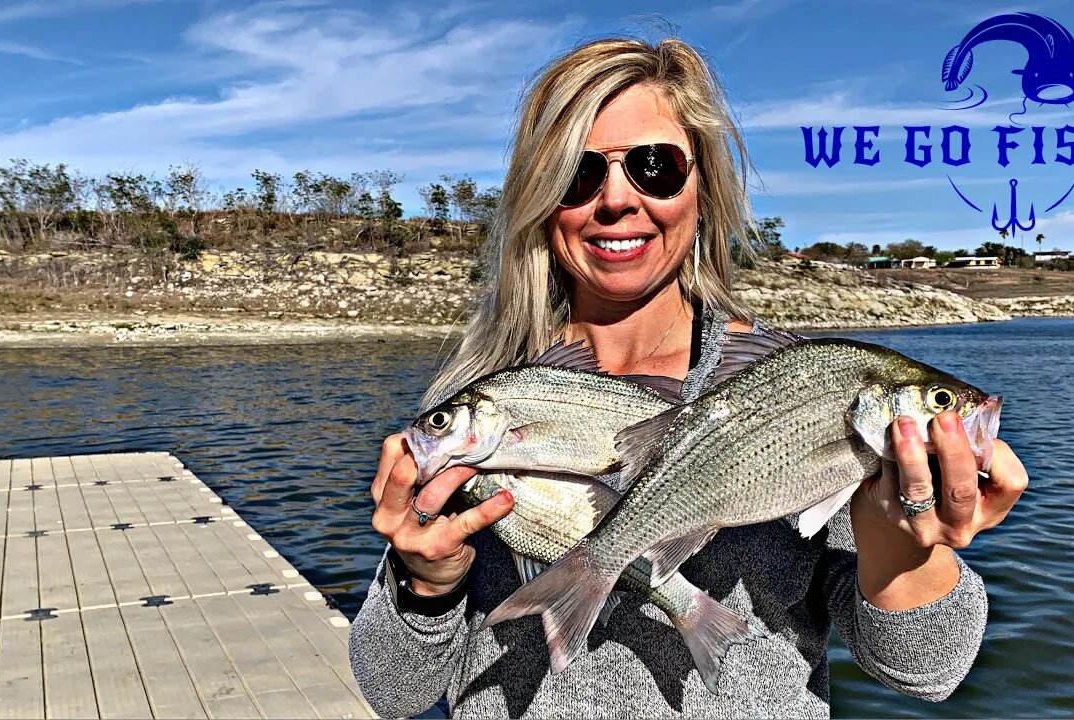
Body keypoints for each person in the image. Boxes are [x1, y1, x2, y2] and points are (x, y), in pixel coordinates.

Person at [349, 37, 1028, 718]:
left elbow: (927, 670)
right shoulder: (479, 397)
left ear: (703, 188)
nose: (617, 200)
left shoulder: (791, 386)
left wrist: (908, 540)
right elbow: (393, 689)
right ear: (540, 198)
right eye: (577, 176)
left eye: (655, 167)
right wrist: (425, 579)